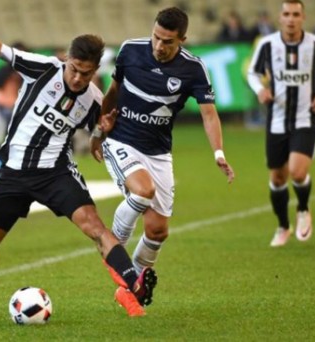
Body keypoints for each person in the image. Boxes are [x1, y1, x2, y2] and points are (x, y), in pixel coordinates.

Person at [0, 8, 156, 319]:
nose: (77, 77)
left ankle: (133, 282)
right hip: (14, 173)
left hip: (55, 173)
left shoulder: (94, 100)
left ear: (96, 69)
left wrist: (101, 133)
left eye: (86, 73)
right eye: (74, 69)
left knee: (94, 226)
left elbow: (104, 130)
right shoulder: (43, 68)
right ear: (66, 60)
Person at [90, 6, 235, 302]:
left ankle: (134, 286)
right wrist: (97, 132)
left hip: (157, 152)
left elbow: (209, 114)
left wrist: (218, 152)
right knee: (143, 191)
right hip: (121, 141)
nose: (159, 45)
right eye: (156, 37)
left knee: (157, 231)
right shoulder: (130, 51)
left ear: (182, 39)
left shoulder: (193, 69)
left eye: (168, 41)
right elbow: (113, 92)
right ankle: (114, 251)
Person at [247, 0, 315, 247]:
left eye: (296, 14)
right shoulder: (267, 45)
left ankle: (303, 209)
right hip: (277, 119)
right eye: (287, 14)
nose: (291, 18)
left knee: (297, 171)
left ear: (303, 17)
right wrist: (260, 89)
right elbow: (253, 73)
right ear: (280, 17)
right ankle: (283, 226)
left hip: (307, 117)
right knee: (277, 178)